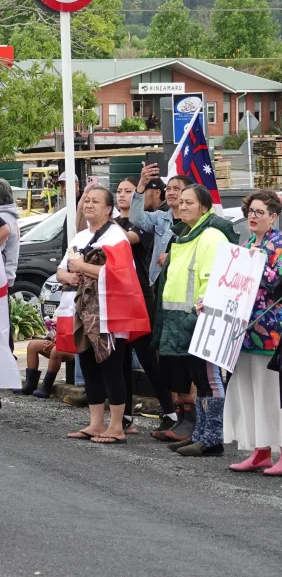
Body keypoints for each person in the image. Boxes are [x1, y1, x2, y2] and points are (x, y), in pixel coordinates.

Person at [59, 186, 146, 446]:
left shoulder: (116, 237)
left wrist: (82, 267)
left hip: (110, 312)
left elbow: (118, 274)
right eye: (87, 200)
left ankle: (117, 425)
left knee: (111, 367)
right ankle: (96, 422)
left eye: (95, 201)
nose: (88, 204)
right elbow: (61, 270)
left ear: (109, 209)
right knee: (88, 365)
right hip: (84, 311)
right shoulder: (81, 237)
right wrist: (70, 275)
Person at [154, 184, 237, 456]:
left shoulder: (211, 236)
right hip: (184, 320)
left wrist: (204, 312)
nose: (183, 205)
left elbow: (211, 279)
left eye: (190, 202)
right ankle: (200, 434)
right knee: (199, 378)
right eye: (181, 201)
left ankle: (212, 439)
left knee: (210, 379)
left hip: (203, 319)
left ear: (204, 206)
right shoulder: (186, 236)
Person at [132, 167, 197, 439]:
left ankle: (193, 419)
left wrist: (171, 257)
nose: (171, 193)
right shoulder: (161, 218)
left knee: (187, 358)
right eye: (168, 189)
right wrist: (140, 187)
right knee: (165, 354)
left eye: (177, 189)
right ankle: (174, 414)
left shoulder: (198, 227)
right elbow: (135, 217)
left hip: (188, 298)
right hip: (160, 289)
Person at [224, 190, 282, 473]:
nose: (253, 217)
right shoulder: (246, 243)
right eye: (250, 212)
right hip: (242, 331)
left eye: (259, 212)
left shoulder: (278, 245)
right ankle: (260, 450)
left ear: (273, 217)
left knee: (270, 393)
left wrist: (258, 262)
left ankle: (280, 451)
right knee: (247, 391)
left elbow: (277, 285)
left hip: (269, 331)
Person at [114, 177, 174, 434]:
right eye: (118, 191)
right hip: (117, 297)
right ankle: (125, 416)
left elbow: (120, 241)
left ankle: (170, 411)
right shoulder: (113, 224)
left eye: (129, 191)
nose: (123, 195)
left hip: (139, 296)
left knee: (148, 358)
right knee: (121, 357)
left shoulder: (145, 225)